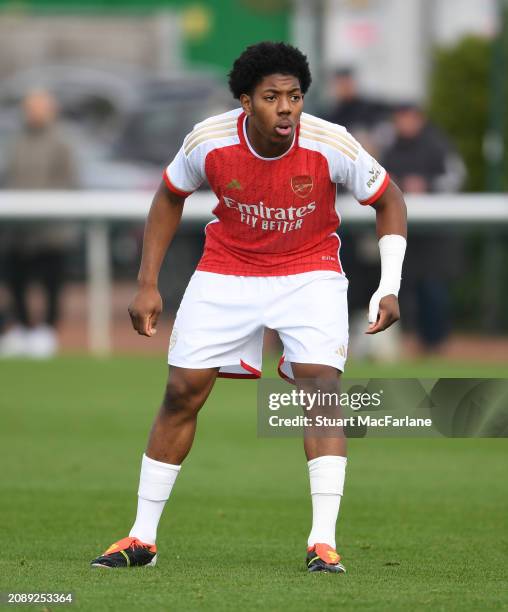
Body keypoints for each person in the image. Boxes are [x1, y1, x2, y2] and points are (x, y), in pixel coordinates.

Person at [91, 42, 407, 573]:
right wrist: (146, 283)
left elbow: (389, 199)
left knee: (320, 390)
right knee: (181, 392)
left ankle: (322, 543)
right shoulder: (209, 140)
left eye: (295, 96)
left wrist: (388, 283)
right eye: (271, 97)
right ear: (245, 101)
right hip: (227, 272)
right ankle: (141, 538)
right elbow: (170, 195)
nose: (286, 107)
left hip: (309, 273)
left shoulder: (332, 143)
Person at [0, 89, 78, 357]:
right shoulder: (16, 142)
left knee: (51, 282)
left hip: (50, 230)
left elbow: (68, 182)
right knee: (15, 280)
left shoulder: (62, 142)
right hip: (18, 230)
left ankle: (47, 331)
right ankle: (21, 327)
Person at [382, 103, 465, 351]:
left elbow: (456, 177)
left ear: (419, 119)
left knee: (433, 289)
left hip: (435, 236)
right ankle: (411, 343)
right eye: (400, 118)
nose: (404, 123)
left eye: (409, 117)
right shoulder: (390, 149)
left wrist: (426, 185)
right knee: (405, 289)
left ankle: (437, 343)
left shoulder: (437, 145)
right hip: (404, 233)